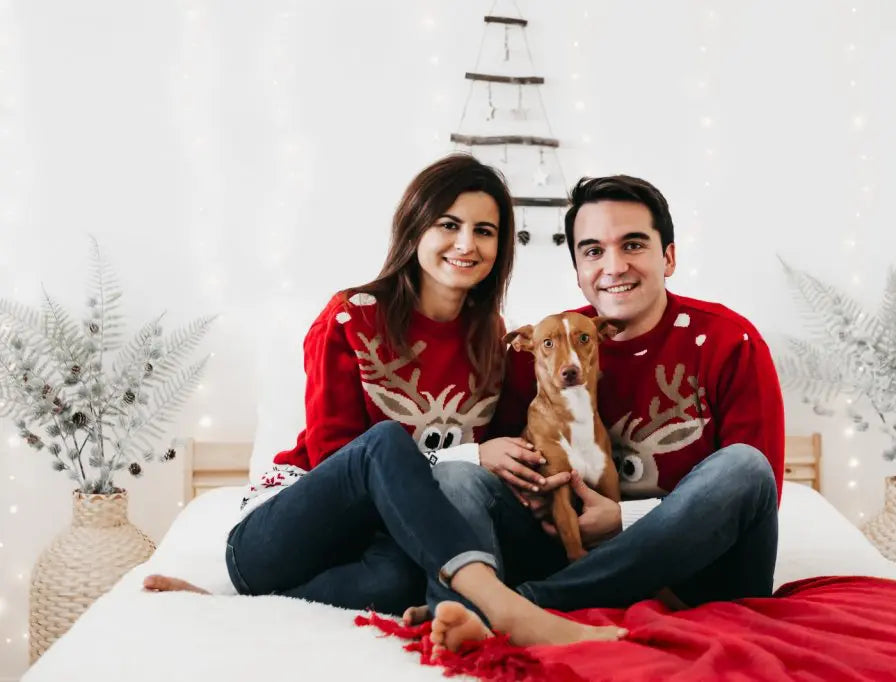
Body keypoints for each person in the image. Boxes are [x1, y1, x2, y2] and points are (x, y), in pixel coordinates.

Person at [143, 154, 626, 654]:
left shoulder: (493, 338)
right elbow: (340, 459)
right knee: (385, 442)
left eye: (485, 230)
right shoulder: (351, 318)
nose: (466, 243)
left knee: (396, 587)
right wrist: (468, 455)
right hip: (288, 534)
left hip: (389, 546)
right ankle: (506, 609)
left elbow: (503, 451)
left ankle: (226, 602)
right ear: (415, 227)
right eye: (448, 224)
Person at [432, 174, 786, 614]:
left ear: (669, 257)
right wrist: (527, 491)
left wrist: (625, 521)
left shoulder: (728, 342)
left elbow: (756, 495)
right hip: (567, 549)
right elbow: (511, 470)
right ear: (578, 271)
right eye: (594, 251)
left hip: (700, 573)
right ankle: (486, 600)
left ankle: (529, 606)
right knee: (462, 476)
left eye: (633, 245)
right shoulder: (548, 346)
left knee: (746, 467)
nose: (614, 266)